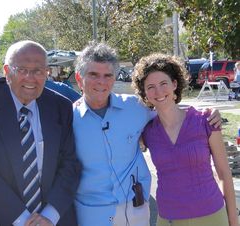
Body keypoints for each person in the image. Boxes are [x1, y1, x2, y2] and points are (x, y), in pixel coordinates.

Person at [72, 42, 222, 226]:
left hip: (135, 209)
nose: (101, 82)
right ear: (79, 79)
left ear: (114, 79)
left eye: (107, 75)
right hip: (92, 213)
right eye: (93, 75)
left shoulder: (135, 108)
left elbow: (167, 108)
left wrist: (206, 111)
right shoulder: (68, 120)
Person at [0, 40, 81, 226]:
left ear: (47, 73)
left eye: (38, 71)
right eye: (22, 70)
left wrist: (50, 215)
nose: (31, 78)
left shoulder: (61, 107)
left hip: (45, 218)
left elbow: (70, 165)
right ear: (6, 71)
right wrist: (24, 220)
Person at [132, 53, 239, 226]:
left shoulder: (206, 120)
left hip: (212, 215)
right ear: (144, 93)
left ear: (174, 84)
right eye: (150, 86)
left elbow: (224, 173)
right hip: (169, 218)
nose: (158, 91)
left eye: (163, 83)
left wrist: (233, 220)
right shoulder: (147, 131)